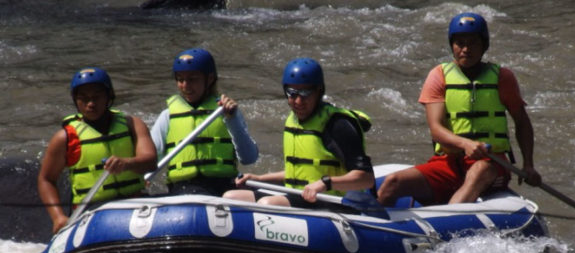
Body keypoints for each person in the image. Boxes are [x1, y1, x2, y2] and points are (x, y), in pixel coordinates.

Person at [376, 12, 541, 206]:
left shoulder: (502, 77)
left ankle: (448, 222)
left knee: (479, 171)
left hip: (492, 164)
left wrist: (528, 164)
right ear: (452, 45)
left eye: (472, 43)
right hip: (449, 162)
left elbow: (521, 121)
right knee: (392, 183)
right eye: (460, 43)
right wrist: (465, 144)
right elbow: (436, 129)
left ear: (484, 46)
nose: (465, 49)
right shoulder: (439, 76)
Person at [224, 57, 374, 207]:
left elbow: (366, 178)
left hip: (333, 202)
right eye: (292, 93)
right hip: (299, 197)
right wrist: (260, 179)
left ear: (319, 91)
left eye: (305, 93)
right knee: (231, 196)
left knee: (268, 203)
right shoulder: (293, 120)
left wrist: (325, 184)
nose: (298, 101)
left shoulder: (338, 125)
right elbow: (299, 174)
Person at [37, 67, 157, 234]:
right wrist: (58, 217)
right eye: (83, 98)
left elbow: (150, 161)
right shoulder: (64, 138)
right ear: (76, 101)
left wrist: (128, 163)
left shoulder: (132, 124)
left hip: (134, 205)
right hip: (91, 213)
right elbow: (46, 179)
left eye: (97, 97)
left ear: (109, 97)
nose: (90, 104)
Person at [150, 48, 258, 196]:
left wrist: (232, 120)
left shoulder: (227, 112)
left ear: (210, 78)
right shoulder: (167, 116)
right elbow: (149, 160)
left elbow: (249, 158)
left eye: (193, 79)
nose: (185, 85)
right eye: (180, 79)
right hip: (183, 188)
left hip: (223, 186)